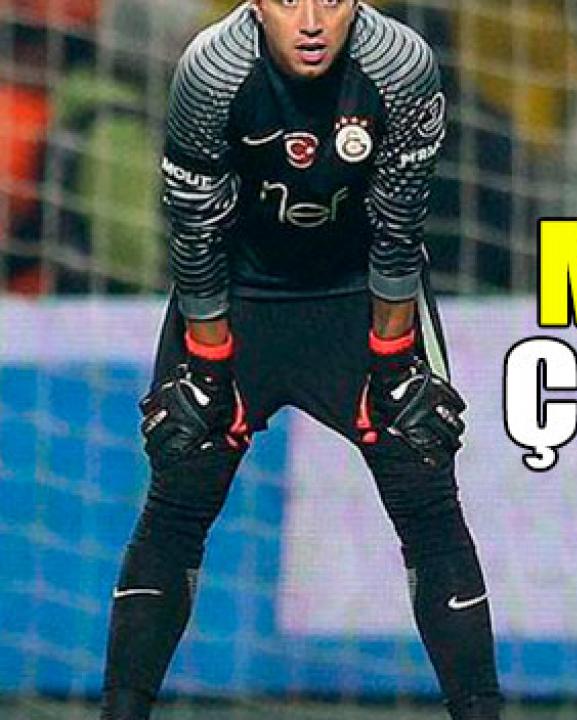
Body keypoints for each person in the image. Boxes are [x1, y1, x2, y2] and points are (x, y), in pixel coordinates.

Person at [98, 2, 502, 719]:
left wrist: (391, 361)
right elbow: (194, 230)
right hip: (238, 291)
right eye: (289, 1)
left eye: (332, 0)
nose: (312, 22)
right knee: (178, 491)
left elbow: (399, 225)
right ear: (257, 3)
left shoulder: (401, 65)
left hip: (358, 293)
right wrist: (208, 367)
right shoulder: (211, 71)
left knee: (427, 489)